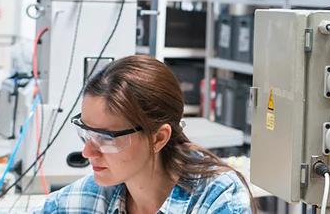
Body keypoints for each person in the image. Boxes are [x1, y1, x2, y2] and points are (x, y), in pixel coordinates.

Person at [42, 55, 252, 213]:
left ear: (159, 138)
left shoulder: (217, 197)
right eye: (86, 132)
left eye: (106, 138)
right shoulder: (91, 196)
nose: (87, 152)